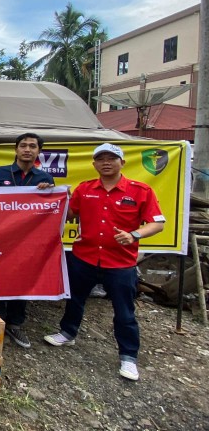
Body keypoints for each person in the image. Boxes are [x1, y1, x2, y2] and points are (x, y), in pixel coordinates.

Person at [44, 143, 165, 382]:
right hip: (84, 257)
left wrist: (134, 235)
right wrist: (49, 194)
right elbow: (67, 213)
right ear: (94, 164)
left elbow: (157, 223)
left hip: (120, 263)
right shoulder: (85, 189)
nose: (106, 163)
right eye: (101, 159)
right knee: (74, 300)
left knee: (124, 312)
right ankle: (68, 333)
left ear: (122, 162)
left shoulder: (140, 191)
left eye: (112, 158)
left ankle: (128, 357)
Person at [0, 132, 55, 349]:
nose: (27, 149)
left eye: (32, 146)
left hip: (27, 241)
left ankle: (16, 324)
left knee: (22, 279)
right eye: (23, 145)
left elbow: (50, 210)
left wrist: (49, 193)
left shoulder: (45, 178)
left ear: (38, 152)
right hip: (0, 237)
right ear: (16, 149)